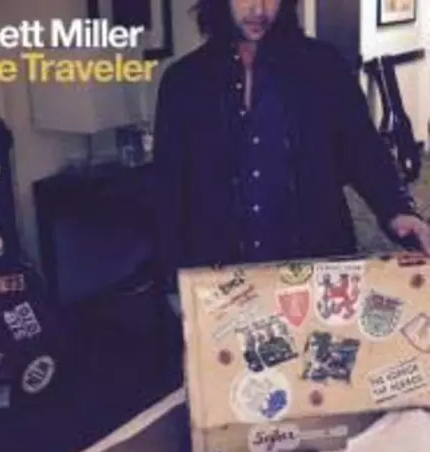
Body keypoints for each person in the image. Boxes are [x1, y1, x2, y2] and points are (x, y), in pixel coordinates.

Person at [153, 0, 430, 290]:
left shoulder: (323, 65)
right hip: (222, 279)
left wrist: (397, 210)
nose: (259, 10)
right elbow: (169, 190)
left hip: (316, 269)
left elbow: (363, 149)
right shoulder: (183, 82)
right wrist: (172, 280)